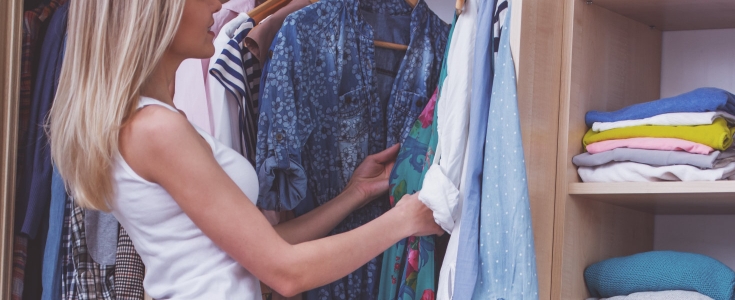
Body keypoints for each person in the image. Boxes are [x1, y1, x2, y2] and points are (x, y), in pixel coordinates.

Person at [47, 0, 442, 298]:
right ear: (154, 12)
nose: (218, 5)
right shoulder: (157, 130)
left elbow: (261, 248)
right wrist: (404, 220)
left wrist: (354, 194)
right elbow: (286, 272)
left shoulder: (150, 121)